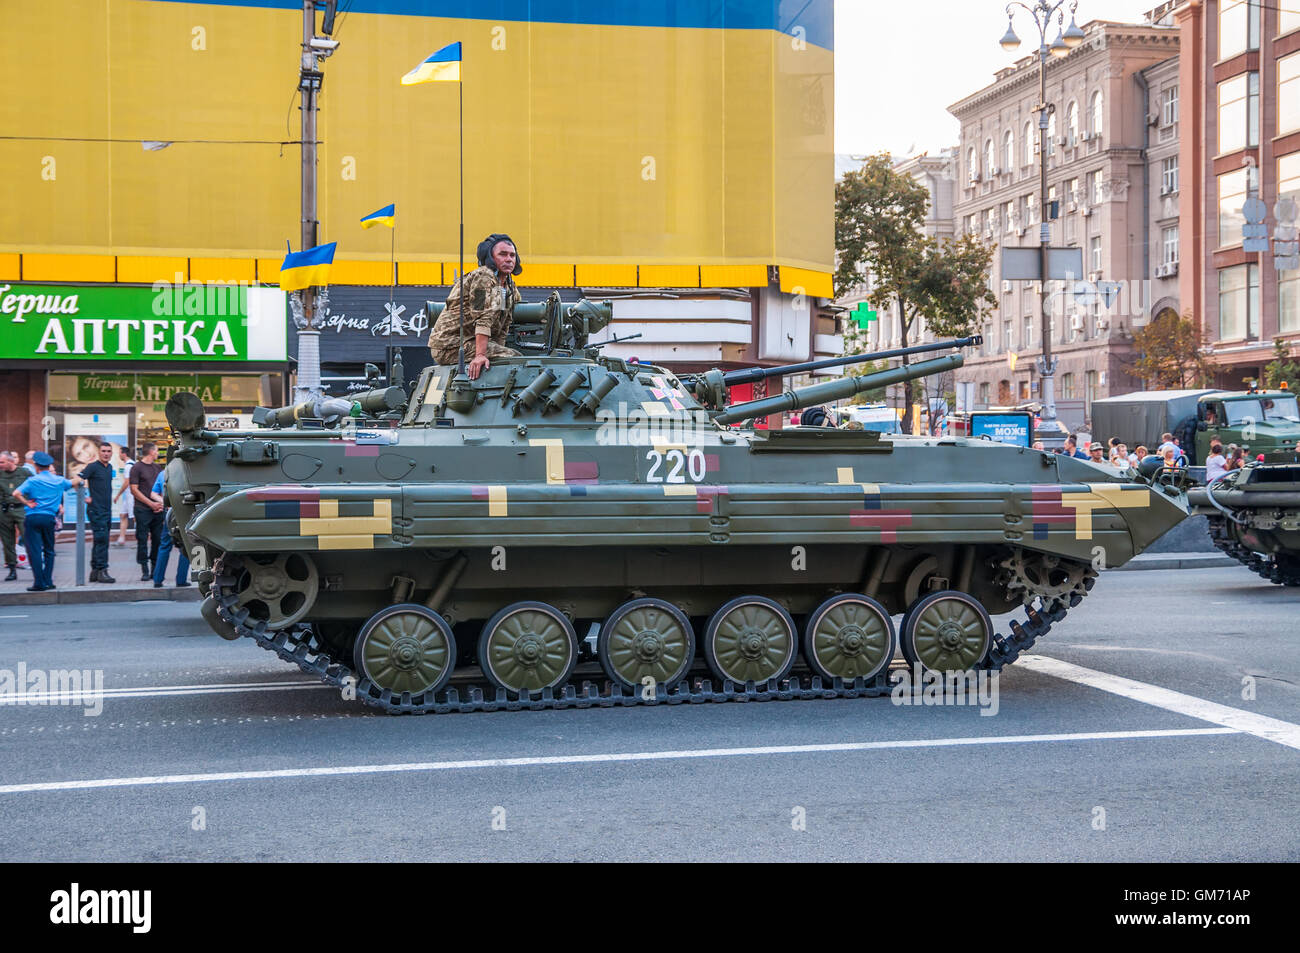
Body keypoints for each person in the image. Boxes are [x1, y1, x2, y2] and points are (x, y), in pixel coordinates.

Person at [427, 233, 523, 379]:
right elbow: (482, 316)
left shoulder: (507, 285)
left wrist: (496, 348)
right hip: (449, 346)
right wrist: (480, 355)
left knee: (506, 354)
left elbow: (503, 325)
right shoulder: (483, 276)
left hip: (469, 342)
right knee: (513, 356)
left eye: (512, 255)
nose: (509, 259)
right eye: (503, 254)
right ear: (490, 257)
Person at [11, 451, 84, 592]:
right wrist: (81, 477)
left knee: (35, 550)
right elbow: (74, 482)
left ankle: (39, 582)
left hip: (32, 518)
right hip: (49, 518)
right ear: (49, 465)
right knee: (49, 550)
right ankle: (48, 581)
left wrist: (27, 503)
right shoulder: (58, 480)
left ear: (37, 466)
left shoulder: (32, 480)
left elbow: (16, 493)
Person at [78, 442, 117, 583]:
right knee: (102, 541)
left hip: (106, 510)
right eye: (103, 451)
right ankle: (102, 571)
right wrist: (84, 497)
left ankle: (94, 572)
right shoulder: (92, 466)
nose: (106, 453)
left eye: (108, 451)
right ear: (99, 452)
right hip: (96, 510)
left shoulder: (109, 467)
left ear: (111, 453)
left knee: (100, 540)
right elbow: (78, 480)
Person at [129, 442, 165, 581]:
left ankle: (155, 570)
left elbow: (161, 487)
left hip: (157, 510)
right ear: (151, 452)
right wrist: (151, 503)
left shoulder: (157, 468)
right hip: (142, 509)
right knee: (142, 540)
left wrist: (160, 504)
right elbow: (134, 489)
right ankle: (144, 569)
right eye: (156, 451)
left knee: (157, 540)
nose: (157, 453)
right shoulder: (136, 468)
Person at [149, 469, 190, 589]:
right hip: (185, 513)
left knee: (164, 545)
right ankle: (181, 580)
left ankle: (157, 579)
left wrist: (165, 502)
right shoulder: (188, 471)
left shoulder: (164, 472)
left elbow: (153, 493)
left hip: (170, 514)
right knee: (185, 546)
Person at [0, 452, 27, 581]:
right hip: (5, 510)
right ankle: (12, 569)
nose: (0, 465)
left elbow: (34, 486)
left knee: (28, 537)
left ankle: (37, 567)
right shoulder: (0, 473)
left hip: (21, 509)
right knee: (7, 541)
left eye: (2, 462)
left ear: (11, 461)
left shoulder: (24, 473)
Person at [113, 453, 135, 547]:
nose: (119, 456)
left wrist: (118, 495)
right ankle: (121, 539)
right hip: (128, 495)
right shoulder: (131, 464)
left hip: (131, 495)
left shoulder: (128, 466)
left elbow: (127, 482)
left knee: (135, 518)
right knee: (123, 515)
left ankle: (140, 540)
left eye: (119, 453)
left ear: (123, 454)